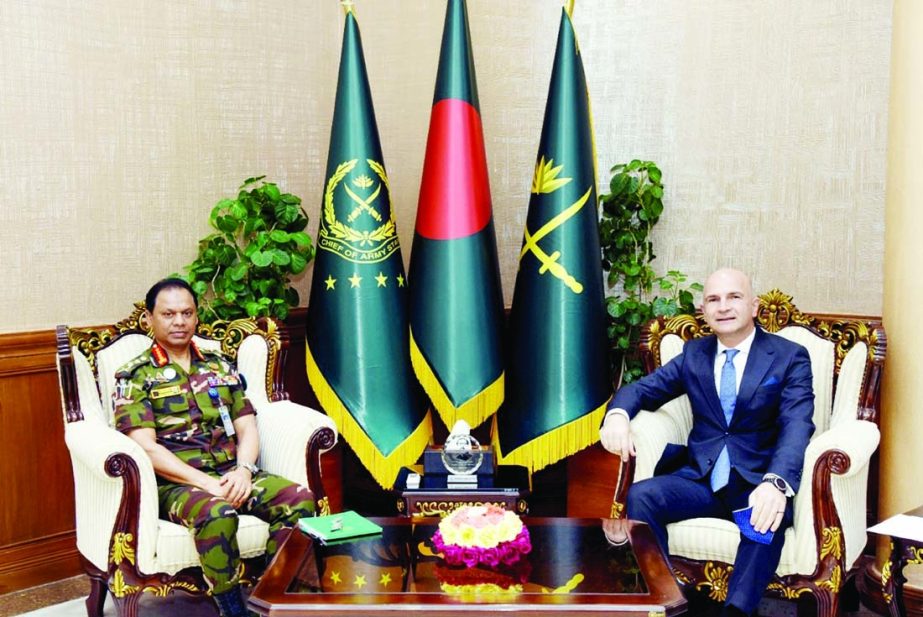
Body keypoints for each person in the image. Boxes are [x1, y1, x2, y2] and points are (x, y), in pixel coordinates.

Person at [599, 268, 815, 617]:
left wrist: (776, 483)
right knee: (644, 495)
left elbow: (797, 424)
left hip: (756, 482)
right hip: (701, 480)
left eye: (734, 297)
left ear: (754, 306)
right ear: (703, 310)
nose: (723, 306)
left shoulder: (789, 356)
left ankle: (737, 611)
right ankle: (664, 602)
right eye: (714, 299)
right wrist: (617, 416)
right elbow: (642, 390)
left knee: (765, 520)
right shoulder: (694, 354)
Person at [113, 278, 314, 617]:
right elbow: (145, 448)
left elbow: (247, 426)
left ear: (196, 317)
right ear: (149, 319)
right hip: (176, 484)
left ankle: (272, 598)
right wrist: (206, 484)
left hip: (230, 472)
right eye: (169, 314)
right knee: (217, 514)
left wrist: (244, 470)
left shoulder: (219, 366)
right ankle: (231, 607)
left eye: (187, 313)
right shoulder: (135, 375)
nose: (179, 321)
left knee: (298, 499)